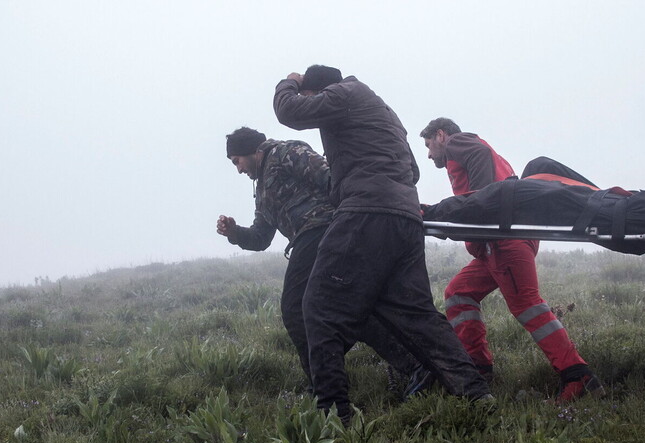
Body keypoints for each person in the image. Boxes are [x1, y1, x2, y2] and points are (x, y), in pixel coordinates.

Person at [272, 66, 492, 422]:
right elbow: (413, 171)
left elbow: (289, 112)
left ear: (319, 90)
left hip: (365, 214)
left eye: (313, 99)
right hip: (403, 217)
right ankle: (476, 393)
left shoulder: (343, 94)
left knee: (317, 307)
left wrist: (291, 83)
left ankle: (333, 415)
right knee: (417, 314)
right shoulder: (383, 112)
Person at [216, 127, 430, 396]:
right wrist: (235, 233)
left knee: (295, 309)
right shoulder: (261, 190)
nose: (238, 169)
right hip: (310, 238)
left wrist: (356, 220)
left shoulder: (286, 152)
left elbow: (332, 178)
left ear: (253, 151)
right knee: (349, 310)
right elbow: (261, 238)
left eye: (237, 161)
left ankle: (323, 386)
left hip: (325, 230)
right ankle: (414, 366)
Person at [419, 118, 604, 403]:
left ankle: (578, 376)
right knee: (459, 293)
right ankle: (478, 369)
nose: (429, 154)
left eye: (429, 145)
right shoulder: (471, 157)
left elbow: (480, 188)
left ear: (441, 136)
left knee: (527, 306)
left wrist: (479, 200)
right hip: (498, 243)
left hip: (505, 242)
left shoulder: (459, 143)